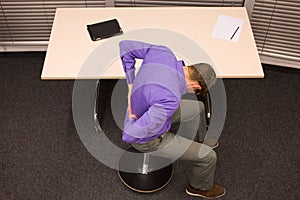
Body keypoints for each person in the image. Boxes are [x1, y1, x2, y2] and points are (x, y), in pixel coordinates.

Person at [119, 40, 225, 199]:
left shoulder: (164, 53)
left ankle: (199, 141)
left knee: (199, 109)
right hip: (148, 139)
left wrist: (130, 84)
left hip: (150, 108)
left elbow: (125, 46)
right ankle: (199, 188)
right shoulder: (170, 98)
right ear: (196, 86)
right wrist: (131, 119)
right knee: (209, 157)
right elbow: (129, 135)